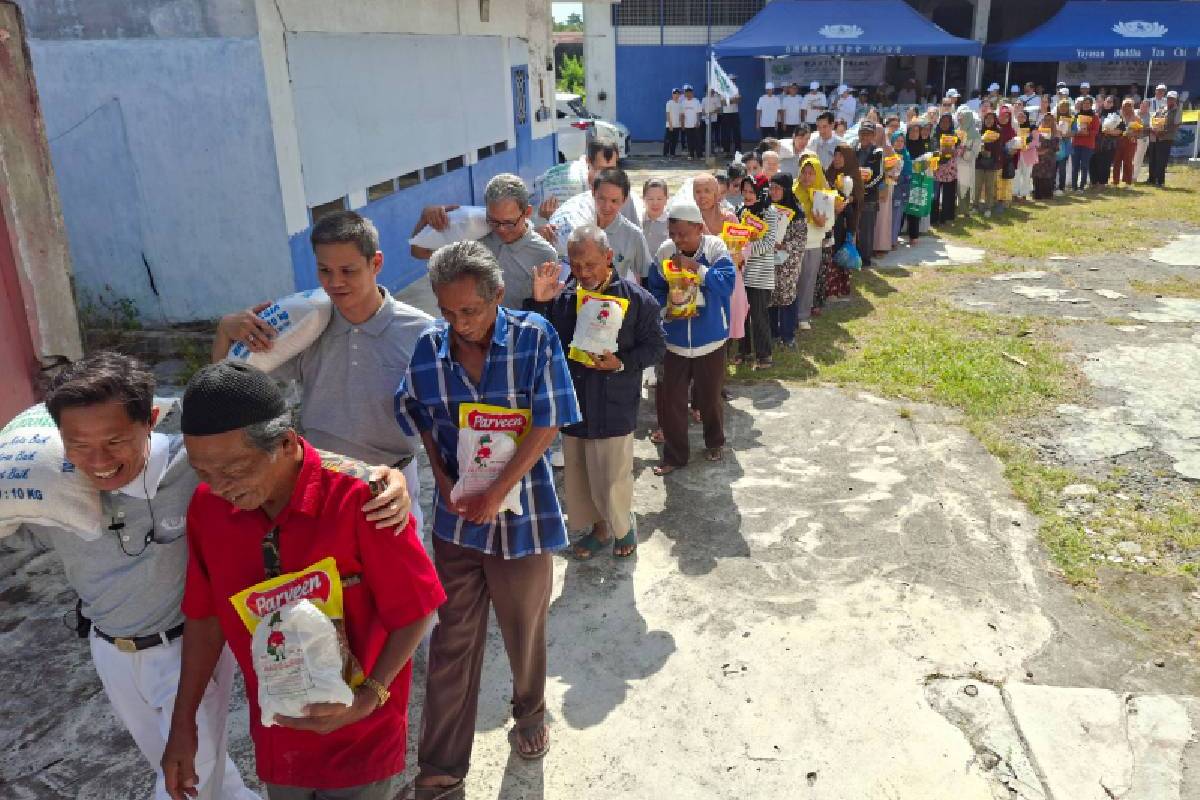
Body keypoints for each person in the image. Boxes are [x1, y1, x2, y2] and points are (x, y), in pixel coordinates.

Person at [163, 362, 443, 800]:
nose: (220, 488)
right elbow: (205, 618)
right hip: (280, 737)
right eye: (203, 473)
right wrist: (182, 727)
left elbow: (418, 608)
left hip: (360, 735)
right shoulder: (209, 509)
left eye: (235, 470)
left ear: (286, 442)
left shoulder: (362, 501)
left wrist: (369, 697)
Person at [397, 241, 581, 797]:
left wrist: (498, 488)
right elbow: (420, 414)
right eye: (447, 311)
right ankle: (442, 766)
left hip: (523, 519)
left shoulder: (533, 338)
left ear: (498, 297)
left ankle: (529, 713)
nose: (458, 324)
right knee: (451, 639)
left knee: (524, 628)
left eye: (470, 312)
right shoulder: (430, 349)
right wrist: (447, 480)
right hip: (458, 525)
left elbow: (548, 420)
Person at [218, 211, 434, 530]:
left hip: (389, 485)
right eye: (324, 271)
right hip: (319, 479)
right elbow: (225, 387)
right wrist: (226, 332)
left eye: (348, 270)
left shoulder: (421, 332)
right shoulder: (307, 325)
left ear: (376, 263)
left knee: (397, 576)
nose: (335, 282)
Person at [526, 225, 665, 559]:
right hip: (574, 401)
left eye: (590, 264)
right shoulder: (563, 299)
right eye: (575, 266)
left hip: (615, 402)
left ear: (608, 257)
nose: (583, 273)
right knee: (581, 473)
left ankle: (622, 526)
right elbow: (538, 344)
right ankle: (599, 529)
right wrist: (541, 304)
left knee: (614, 475)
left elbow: (657, 347)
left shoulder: (636, 300)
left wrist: (620, 363)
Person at [647, 201, 736, 474]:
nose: (677, 240)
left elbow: (726, 285)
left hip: (710, 340)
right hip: (674, 342)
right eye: (672, 233)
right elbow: (656, 290)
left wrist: (696, 268)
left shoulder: (715, 248)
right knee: (672, 401)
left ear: (699, 229)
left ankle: (714, 441)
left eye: (683, 234)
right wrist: (667, 311)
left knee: (709, 398)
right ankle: (674, 456)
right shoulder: (664, 251)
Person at [549, 168, 652, 283]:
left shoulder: (634, 236)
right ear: (593, 192)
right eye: (602, 198)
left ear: (624, 199)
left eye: (614, 201)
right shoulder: (577, 226)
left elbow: (647, 276)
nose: (607, 206)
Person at [736, 176, 779, 368]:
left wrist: (746, 249)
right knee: (741, 313)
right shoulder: (740, 210)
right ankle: (743, 351)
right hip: (741, 270)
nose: (747, 195)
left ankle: (764, 355)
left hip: (761, 272)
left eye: (751, 191)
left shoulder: (769, 212)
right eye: (744, 191)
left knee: (759, 314)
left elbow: (769, 242)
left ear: (760, 192)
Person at [792, 154, 836, 326]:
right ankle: (788, 315)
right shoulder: (793, 192)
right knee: (791, 280)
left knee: (808, 280)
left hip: (813, 244)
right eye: (804, 172)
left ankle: (802, 315)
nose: (807, 177)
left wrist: (821, 223)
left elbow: (830, 223)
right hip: (793, 244)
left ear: (818, 174)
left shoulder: (824, 196)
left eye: (811, 173)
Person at [767, 172, 807, 346]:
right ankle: (772, 332)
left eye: (777, 188)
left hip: (788, 263)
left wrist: (782, 246)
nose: (773, 192)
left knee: (786, 297)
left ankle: (788, 335)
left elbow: (800, 240)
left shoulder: (797, 212)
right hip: (768, 260)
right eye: (771, 188)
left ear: (786, 189)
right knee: (770, 296)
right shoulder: (767, 208)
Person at [825, 145, 861, 299]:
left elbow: (858, 198)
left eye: (841, 156)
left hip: (845, 221)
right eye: (835, 155)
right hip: (829, 220)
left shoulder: (853, 174)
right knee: (830, 253)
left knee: (842, 252)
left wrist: (847, 199)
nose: (837, 159)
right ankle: (830, 289)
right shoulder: (830, 172)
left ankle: (841, 287)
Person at [854, 121, 884, 266]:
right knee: (854, 229)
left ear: (873, 135)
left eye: (868, 134)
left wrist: (865, 189)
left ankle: (865, 260)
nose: (864, 136)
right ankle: (855, 258)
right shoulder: (854, 150)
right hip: (852, 197)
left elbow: (880, 176)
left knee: (866, 230)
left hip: (869, 198)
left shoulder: (878, 152)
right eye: (862, 133)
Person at [931, 113, 962, 224]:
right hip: (937, 170)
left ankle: (947, 217)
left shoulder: (955, 135)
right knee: (934, 195)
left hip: (950, 170)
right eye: (942, 121)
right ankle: (933, 218)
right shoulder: (935, 135)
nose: (945, 124)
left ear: (951, 123)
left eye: (947, 122)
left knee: (949, 194)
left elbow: (960, 150)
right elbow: (931, 150)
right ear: (939, 122)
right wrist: (940, 152)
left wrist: (953, 151)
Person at [1147, 90, 1181, 188]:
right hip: (1156, 136)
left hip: (1166, 138)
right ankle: (1152, 179)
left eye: (1172, 99)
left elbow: (1176, 125)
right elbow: (1155, 118)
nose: (1170, 100)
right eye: (1169, 98)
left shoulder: (1178, 110)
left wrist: (1164, 131)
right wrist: (1153, 128)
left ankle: (1160, 181)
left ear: (1175, 100)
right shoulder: (1162, 108)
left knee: (1162, 160)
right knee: (1154, 159)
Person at [975, 110, 1004, 216]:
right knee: (977, 186)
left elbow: (999, 148)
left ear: (994, 120)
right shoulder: (979, 131)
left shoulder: (999, 131)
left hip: (992, 163)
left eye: (991, 118)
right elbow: (975, 146)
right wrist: (981, 146)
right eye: (987, 118)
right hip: (978, 163)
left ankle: (988, 208)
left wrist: (989, 148)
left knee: (989, 187)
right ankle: (975, 206)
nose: (989, 121)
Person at [889, 130, 915, 246]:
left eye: (901, 141)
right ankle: (884, 242)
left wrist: (900, 178)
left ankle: (893, 241)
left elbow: (909, 174)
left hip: (901, 190)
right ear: (892, 142)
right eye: (897, 141)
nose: (899, 143)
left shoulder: (906, 155)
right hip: (888, 189)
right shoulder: (888, 154)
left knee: (896, 216)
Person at [1071, 96, 1100, 191]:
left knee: (1084, 166)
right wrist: (1076, 132)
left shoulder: (1095, 116)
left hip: (1088, 145)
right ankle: (1074, 186)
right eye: (1084, 103)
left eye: (1088, 104)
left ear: (1091, 105)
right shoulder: (1076, 116)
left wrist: (1088, 132)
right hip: (1076, 144)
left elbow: (1096, 131)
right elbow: (1073, 129)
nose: (1086, 105)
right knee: (1075, 166)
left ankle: (1081, 187)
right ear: (1081, 104)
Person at [1112, 98, 1141, 188]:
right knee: (1116, 161)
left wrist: (1133, 134)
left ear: (1132, 107)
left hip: (1130, 142)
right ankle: (1115, 181)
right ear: (1122, 106)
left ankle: (1128, 182)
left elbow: (1139, 132)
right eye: (1125, 106)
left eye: (1129, 106)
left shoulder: (1136, 118)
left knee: (1128, 162)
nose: (1127, 108)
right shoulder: (1118, 117)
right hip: (1118, 141)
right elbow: (1113, 128)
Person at [1031, 113, 1060, 201]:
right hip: (1038, 157)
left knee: (1047, 176)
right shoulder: (1037, 132)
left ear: (1052, 122)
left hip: (1049, 158)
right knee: (1037, 175)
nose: (1047, 122)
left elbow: (1056, 147)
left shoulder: (1055, 133)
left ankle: (1047, 194)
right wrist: (1037, 151)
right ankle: (1037, 194)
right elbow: (1033, 144)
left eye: (1049, 120)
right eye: (1045, 120)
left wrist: (1045, 151)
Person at [641, 176, 671, 256]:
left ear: (666, 199)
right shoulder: (638, 220)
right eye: (650, 199)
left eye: (659, 199)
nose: (655, 203)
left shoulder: (672, 223)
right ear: (643, 199)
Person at [1012, 108, 1036, 201]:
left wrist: (1027, 145)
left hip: (1028, 154)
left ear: (1027, 118)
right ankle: (1014, 193)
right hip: (1016, 154)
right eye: (1019, 116)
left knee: (1026, 175)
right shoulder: (1014, 128)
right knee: (1016, 174)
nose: (1021, 118)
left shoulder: (1032, 128)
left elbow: (1036, 142)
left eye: (1023, 116)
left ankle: (1024, 194)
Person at [718, 79, 742, 154]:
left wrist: (728, 101)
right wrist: (732, 100)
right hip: (726, 114)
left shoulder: (736, 89)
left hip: (735, 113)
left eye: (734, 80)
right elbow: (722, 103)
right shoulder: (723, 90)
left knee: (737, 133)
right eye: (731, 80)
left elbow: (738, 101)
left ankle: (737, 150)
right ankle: (727, 151)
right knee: (726, 133)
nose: (733, 81)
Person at [1132, 98, 1152, 183]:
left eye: (1146, 106)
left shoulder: (1151, 116)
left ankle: (1134, 177)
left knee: (1138, 158)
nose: (1143, 107)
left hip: (1143, 139)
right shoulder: (1134, 112)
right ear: (1140, 105)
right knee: (1129, 158)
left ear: (1148, 108)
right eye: (1142, 105)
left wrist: (1142, 127)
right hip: (1132, 139)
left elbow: (1151, 128)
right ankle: (1126, 175)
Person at [681, 84, 703, 159]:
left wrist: (697, 121)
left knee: (697, 140)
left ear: (692, 93)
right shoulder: (683, 102)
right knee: (689, 141)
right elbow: (682, 114)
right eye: (686, 92)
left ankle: (699, 155)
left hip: (695, 124)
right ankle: (691, 155)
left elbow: (698, 113)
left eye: (689, 92)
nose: (688, 94)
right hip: (687, 125)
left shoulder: (696, 101)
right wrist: (683, 124)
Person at [664, 87, 683, 157]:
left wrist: (681, 124)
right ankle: (665, 154)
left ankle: (672, 153)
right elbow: (667, 114)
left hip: (677, 126)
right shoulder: (669, 103)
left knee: (674, 141)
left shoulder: (680, 104)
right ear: (672, 94)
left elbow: (681, 115)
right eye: (675, 94)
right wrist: (670, 125)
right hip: (670, 125)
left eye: (678, 94)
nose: (676, 95)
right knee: (667, 140)